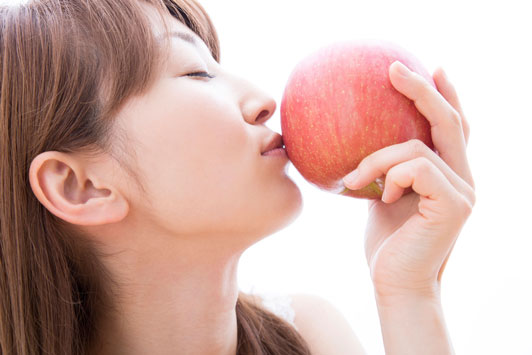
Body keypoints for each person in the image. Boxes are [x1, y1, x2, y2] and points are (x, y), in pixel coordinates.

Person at [0, 0, 475, 354]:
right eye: (196, 73)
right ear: (79, 186)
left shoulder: (310, 336)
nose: (266, 100)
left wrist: (411, 292)